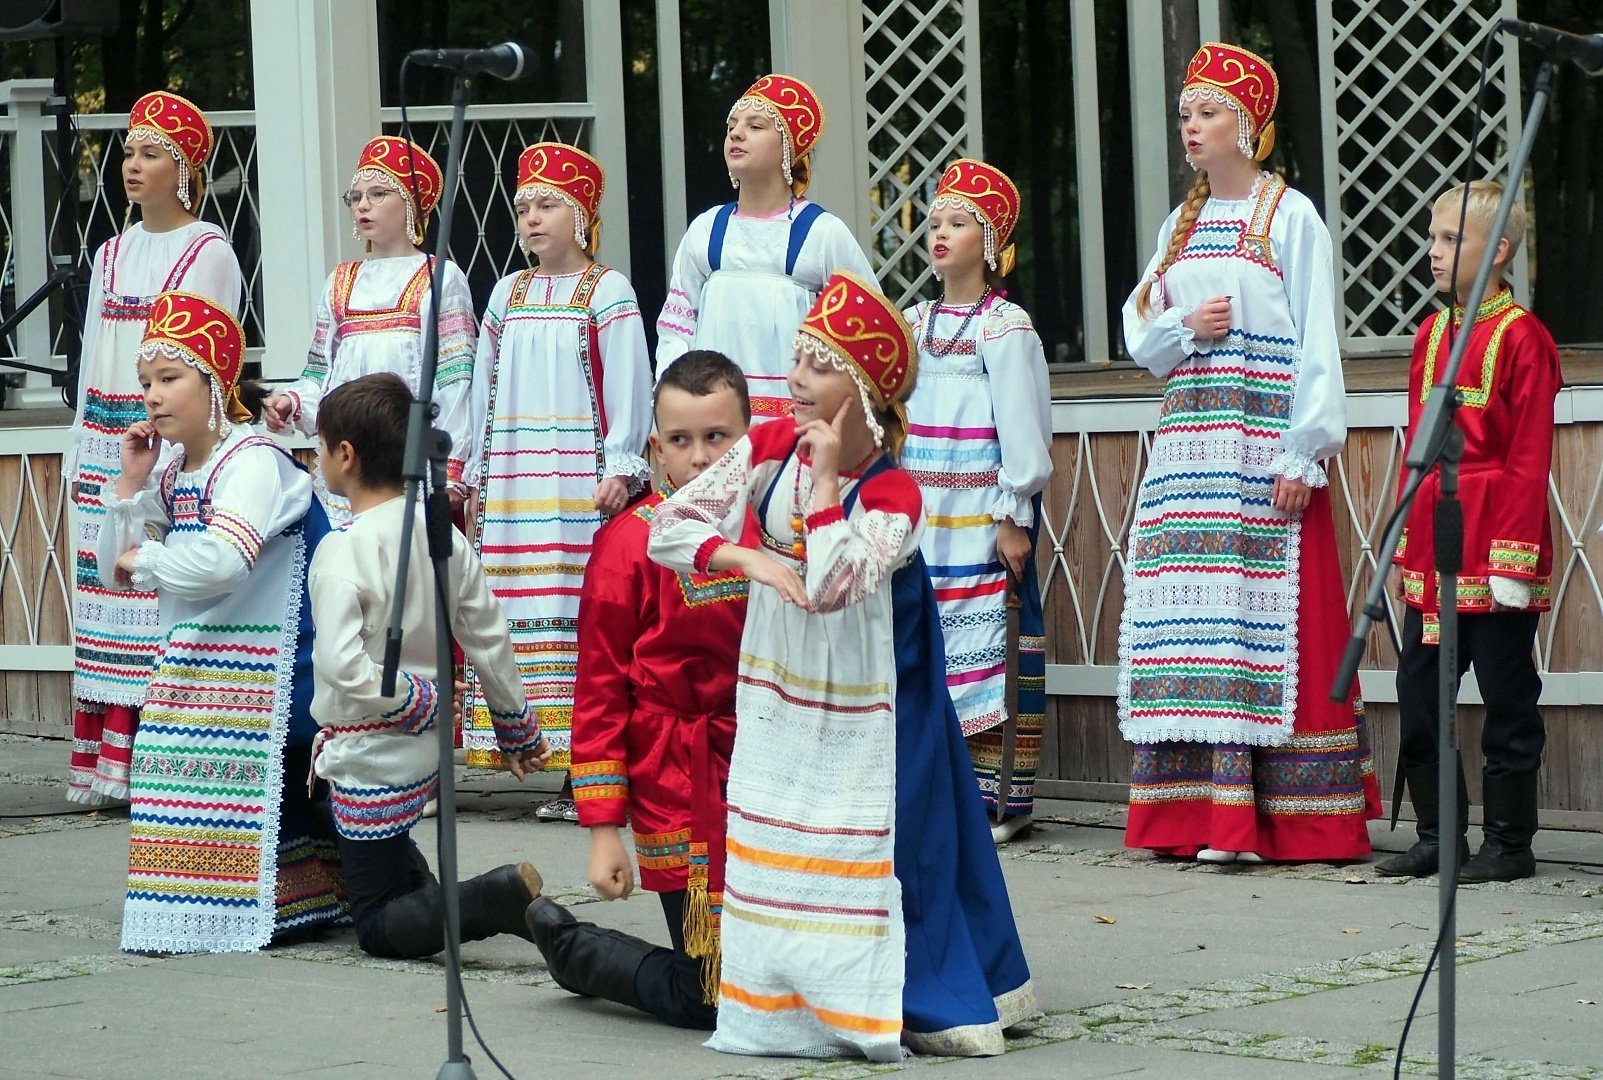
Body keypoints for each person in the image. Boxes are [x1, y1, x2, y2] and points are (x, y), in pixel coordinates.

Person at [648, 272, 1035, 1060]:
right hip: (780, 681)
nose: (793, 378)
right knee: (782, 829)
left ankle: (894, 995)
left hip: (878, 689)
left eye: (818, 364)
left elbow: (832, 585)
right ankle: (785, 1003)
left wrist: (825, 485)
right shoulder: (763, 447)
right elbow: (670, 527)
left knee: (894, 837)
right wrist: (747, 562)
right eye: (797, 356)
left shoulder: (894, 492)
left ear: (861, 391)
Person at [1118, 42, 1380, 863]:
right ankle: (1200, 814)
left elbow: (1316, 341)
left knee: (1258, 618)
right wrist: (1179, 328)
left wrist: (1303, 452)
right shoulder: (1179, 224)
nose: (1191, 127)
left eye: (1208, 112)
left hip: (1260, 439)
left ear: (1250, 126)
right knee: (1193, 616)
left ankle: (1282, 820)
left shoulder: (1290, 215)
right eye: (1186, 114)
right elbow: (1143, 337)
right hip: (1192, 442)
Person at [96, 291, 346, 953]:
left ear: (216, 382)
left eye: (170, 379)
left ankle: (243, 902)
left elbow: (224, 562)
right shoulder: (177, 467)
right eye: (146, 381)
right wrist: (128, 489)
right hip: (215, 651)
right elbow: (108, 566)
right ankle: (260, 899)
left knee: (169, 744)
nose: (151, 395)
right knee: (172, 736)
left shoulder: (253, 462)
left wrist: (147, 557)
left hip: (287, 660)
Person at [526, 350, 754, 1030]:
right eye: (681, 441)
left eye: (717, 437)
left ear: (749, 436)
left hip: (765, 765)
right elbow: (598, 691)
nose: (700, 457)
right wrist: (602, 831)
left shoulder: (774, 528)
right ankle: (577, 951)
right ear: (655, 448)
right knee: (715, 997)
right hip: (674, 776)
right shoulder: (628, 545)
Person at [306, 373, 554, 957]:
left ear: (346, 455)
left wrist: (415, 698)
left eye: (319, 447)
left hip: (372, 751)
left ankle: (490, 898)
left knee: (374, 924)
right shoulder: (439, 531)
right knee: (391, 871)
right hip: (429, 749)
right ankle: (462, 899)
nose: (317, 459)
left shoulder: (344, 547)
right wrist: (516, 726)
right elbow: (487, 635)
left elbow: (343, 669)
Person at [458, 142, 652, 819]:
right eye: (522, 208)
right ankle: (533, 750)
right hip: (515, 487)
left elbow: (629, 381)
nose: (531, 219)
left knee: (582, 620)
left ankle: (590, 772)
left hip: (576, 485)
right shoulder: (504, 295)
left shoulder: (609, 291)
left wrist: (622, 464)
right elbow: (481, 391)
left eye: (546, 205)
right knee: (513, 612)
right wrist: (475, 472)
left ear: (581, 213)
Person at [64, 90, 244, 806]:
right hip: (108, 436)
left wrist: (177, 449)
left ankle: (154, 759)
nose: (132, 166)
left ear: (185, 168)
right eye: (128, 153)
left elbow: (207, 362)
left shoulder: (209, 249)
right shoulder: (111, 252)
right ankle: (106, 764)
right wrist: (83, 437)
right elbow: (90, 354)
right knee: (106, 585)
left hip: (158, 437)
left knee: (152, 590)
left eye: (150, 154)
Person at [1378, 181, 1560, 884]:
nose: (1433, 252)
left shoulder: (1523, 337)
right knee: (1419, 692)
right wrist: (1402, 539)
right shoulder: (1430, 335)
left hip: (1494, 539)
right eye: (1432, 237)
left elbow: (1527, 454)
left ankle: (1509, 844)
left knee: (1506, 695)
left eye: (1451, 239)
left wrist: (1513, 556)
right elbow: (1418, 449)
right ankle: (1437, 836)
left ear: (1499, 250)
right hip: (1433, 537)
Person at [903, 158, 1052, 844]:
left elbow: (1022, 424)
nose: (940, 232)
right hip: (922, 518)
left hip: (980, 517)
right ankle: (939, 794)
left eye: (958, 222)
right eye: (934, 221)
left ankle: (1001, 801)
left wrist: (1014, 515)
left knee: (990, 645)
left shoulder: (1005, 326)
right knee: (926, 641)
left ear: (989, 241)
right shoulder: (912, 323)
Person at [262, 136, 477, 524]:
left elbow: (456, 377)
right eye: (356, 196)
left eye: (378, 193)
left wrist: (453, 467)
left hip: (410, 460)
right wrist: (292, 402)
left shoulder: (438, 276)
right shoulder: (341, 280)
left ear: (411, 203)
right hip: (349, 458)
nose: (362, 205)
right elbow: (320, 373)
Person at [656, 73, 874, 423]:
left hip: (795, 435)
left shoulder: (822, 234)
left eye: (755, 126)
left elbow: (863, 332)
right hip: (713, 430)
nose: (736, 133)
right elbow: (675, 332)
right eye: (732, 125)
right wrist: (674, 408)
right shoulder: (706, 230)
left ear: (788, 147)